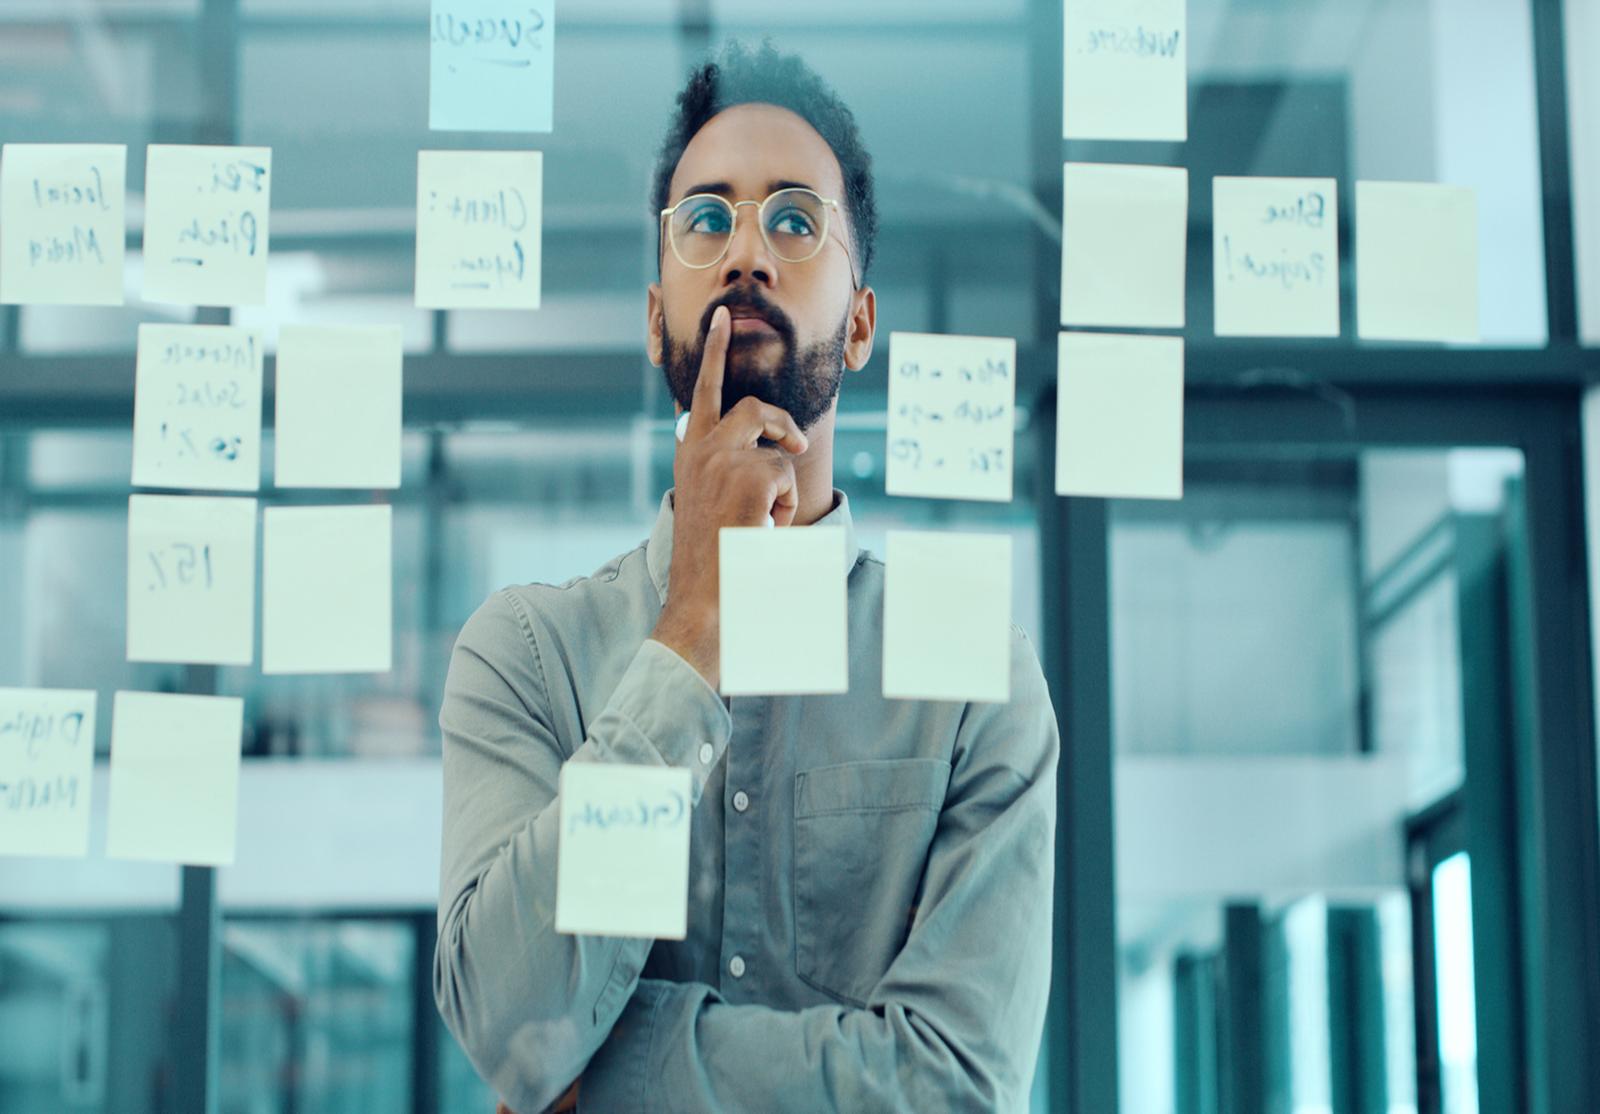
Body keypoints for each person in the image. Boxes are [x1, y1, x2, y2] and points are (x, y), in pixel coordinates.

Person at [435, 39, 1060, 1114]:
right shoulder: (524, 654)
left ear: (859, 325)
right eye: (707, 221)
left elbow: (955, 1085)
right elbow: (510, 1026)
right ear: (652, 317)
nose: (746, 255)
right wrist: (688, 633)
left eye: (794, 220)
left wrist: (613, 1068)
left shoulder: (970, 685)